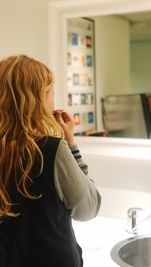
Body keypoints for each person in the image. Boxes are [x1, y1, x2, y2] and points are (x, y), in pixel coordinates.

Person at [0, 55, 101, 267]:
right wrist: (71, 144)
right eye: (50, 94)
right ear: (37, 99)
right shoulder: (51, 149)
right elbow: (88, 208)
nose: (53, 101)